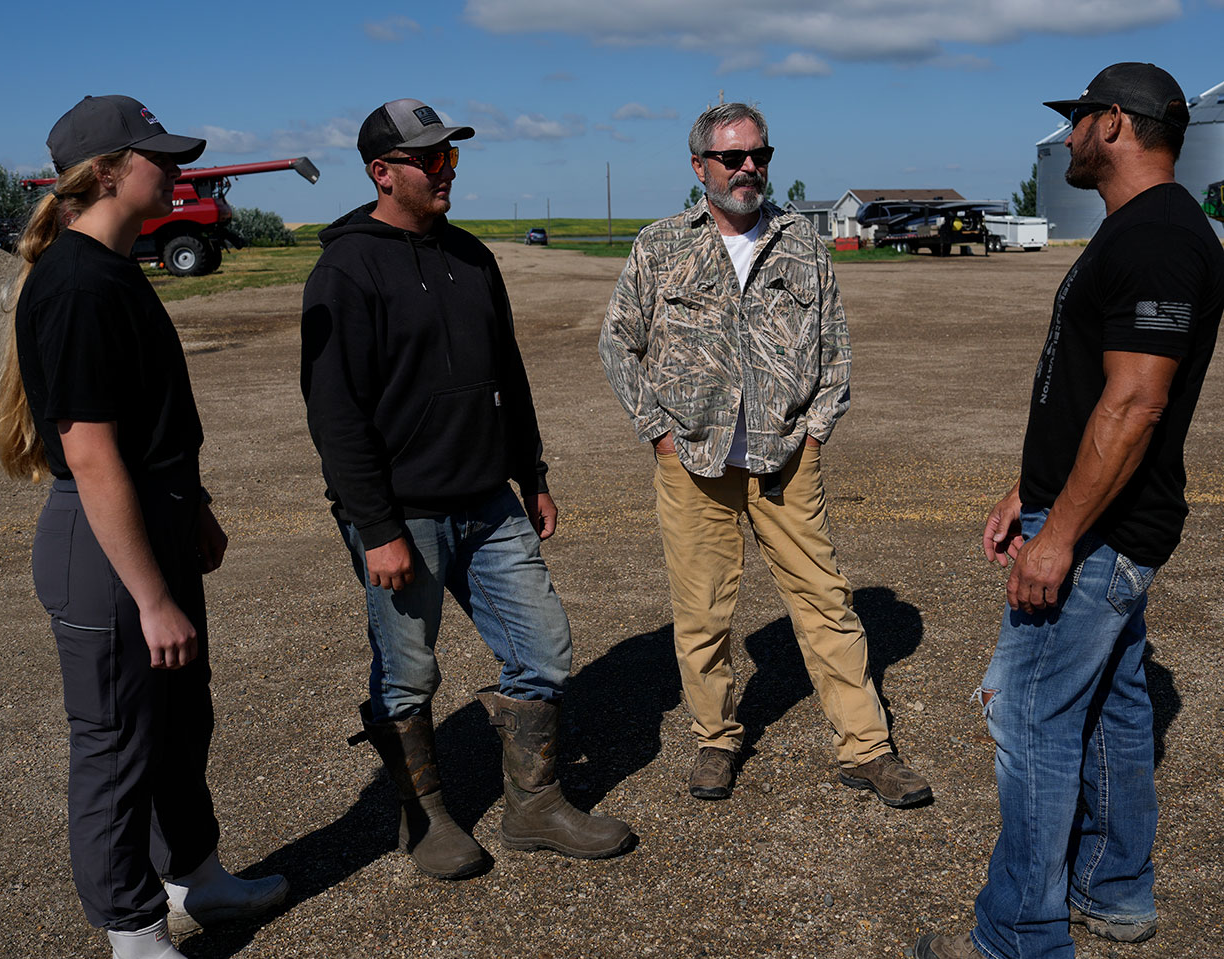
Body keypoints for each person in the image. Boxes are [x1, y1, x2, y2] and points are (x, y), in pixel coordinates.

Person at [913, 65, 1224, 958]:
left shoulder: (1160, 237)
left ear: (1114, 122)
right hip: (1092, 513)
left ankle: (1018, 935)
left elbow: (1134, 406)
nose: (1072, 134)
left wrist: (1061, 537)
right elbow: (1092, 388)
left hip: (1100, 534)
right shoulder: (1143, 230)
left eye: (1080, 117)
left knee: (1031, 716)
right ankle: (1113, 890)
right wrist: (1033, 487)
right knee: (1117, 703)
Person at [300, 98, 636, 880]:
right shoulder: (344, 270)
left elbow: (507, 378)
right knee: (409, 672)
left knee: (544, 652)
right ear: (383, 173)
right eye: (432, 159)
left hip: (488, 503)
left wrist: (533, 473)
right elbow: (334, 414)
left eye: (451, 157)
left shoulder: (472, 257)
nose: (448, 171)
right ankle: (423, 820)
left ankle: (533, 805)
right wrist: (374, 524)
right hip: (401, 517)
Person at [0, 95, 287, 959]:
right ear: (108, 171)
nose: (178, 167)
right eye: (159, 154)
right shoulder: (75, 283)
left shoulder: (115, 270)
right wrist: (151, 596)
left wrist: (198, 510)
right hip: (107, 552)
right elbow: (93, 456)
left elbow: (149, 429)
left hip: (156, 529)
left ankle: (198, 874)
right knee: (115, 742)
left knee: (180, 720)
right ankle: (133, 928)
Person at [599, 102, 932, 808]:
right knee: (703, 613)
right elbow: (618, 343)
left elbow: (834, 351)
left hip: (786, 459)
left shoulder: (803, 244)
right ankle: (716, 738)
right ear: (700, 168)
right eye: (733, 157)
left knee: (826, 602)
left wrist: (814, 431)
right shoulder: (661, 245)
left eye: (760, 154)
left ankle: (867, 747)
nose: (750, 167)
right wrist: (657, 430)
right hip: (693, 461)